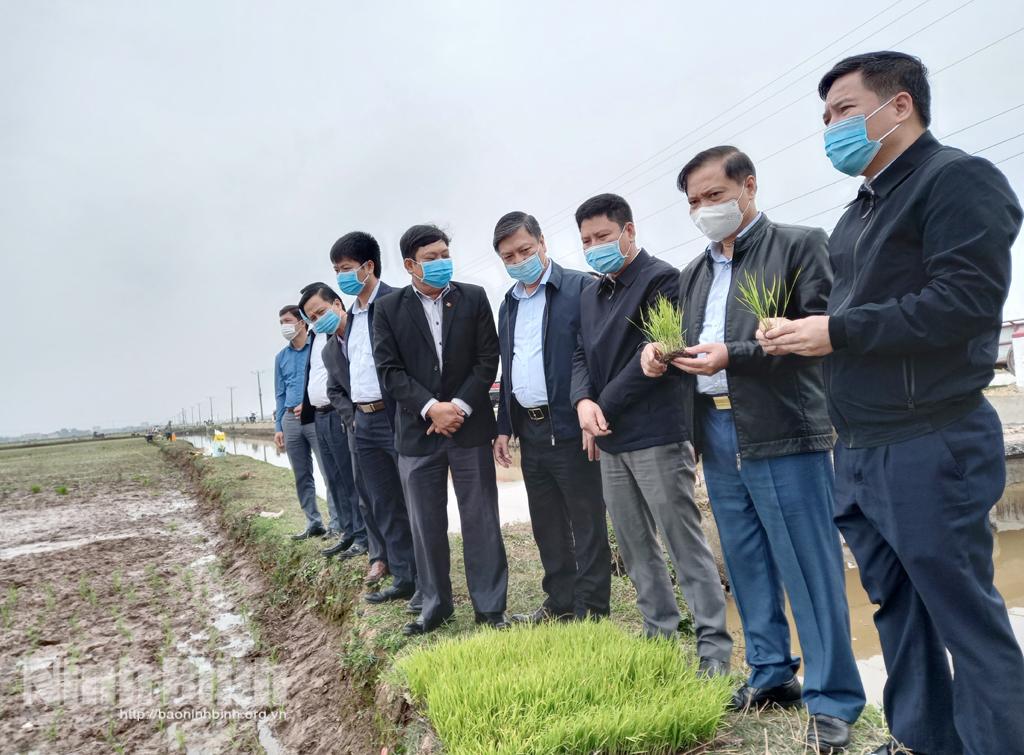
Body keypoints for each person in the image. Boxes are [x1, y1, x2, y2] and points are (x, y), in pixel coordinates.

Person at [760, 51, 1024, 755]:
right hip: (862, 444)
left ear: (899, 105)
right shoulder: (857, 216)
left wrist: (837, 330)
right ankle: (922, 739)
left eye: (844, 111)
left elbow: (964, 303)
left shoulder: (957, 180)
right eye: (825, 118)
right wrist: (799, 331)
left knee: (964, 612)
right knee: (899, 606)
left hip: (930, 437)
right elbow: (851, 316)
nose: (831, 128)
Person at [641, 146, 865, 752]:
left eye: (714, 196)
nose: (704, 210)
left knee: (808, 566)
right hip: (715, 429)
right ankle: (770, 673)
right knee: (745, 559)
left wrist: (733, 356)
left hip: (781, 425)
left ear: (748, 186)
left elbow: (818, 331)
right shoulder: (693, 274)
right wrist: (661, 357)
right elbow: (692, 344)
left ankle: (834, 698)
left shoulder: (798, 245)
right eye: (693, 202)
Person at [570, 193, 732, 672]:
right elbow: (580, 353)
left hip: (657, 433)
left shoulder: (662, 279)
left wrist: (600, 405)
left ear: (629, 231)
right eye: (586, 241)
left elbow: (653, 358)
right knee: (636, 544)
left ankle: (714, 652)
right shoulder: (591, 292)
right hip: (610, 435)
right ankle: (659, 633)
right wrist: (582, 402)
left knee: (684, 544)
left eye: (602, 236)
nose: (595, 246)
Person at [372, 224, 509, 636]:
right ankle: (435, 605)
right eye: (431, 258)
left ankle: (490, 608)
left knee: (481, 518)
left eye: (445, 253)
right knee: (426, 523)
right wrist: (431, 409)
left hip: (469, 428)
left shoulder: (474, 297)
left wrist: (459, 407)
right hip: (418, 434)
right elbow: (389, 371)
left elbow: (489, 358)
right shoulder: (389, 309)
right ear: (410, 265)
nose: (441, 262)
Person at [492, 211, 611, 623]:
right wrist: (504, 427)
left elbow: (596, 357)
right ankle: (559, 602)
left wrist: (593, 414)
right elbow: (509, 367)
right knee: (546, 523)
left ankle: (592, 610)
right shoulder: (508, 303)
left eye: (525, 249)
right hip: (531, 428)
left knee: (587, 519)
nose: (519, 259)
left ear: (542, 243)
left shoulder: (581, 288)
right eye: (509, 256)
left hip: (573, 426)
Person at [328, 231, 420, 611]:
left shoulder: (398, 302)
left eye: (346, 269)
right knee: (383, 502)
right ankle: (403, 575)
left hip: (395, 416)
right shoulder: (350, 316)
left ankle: (427, 581)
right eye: (336, 271)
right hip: (363, 422)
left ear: (368, 267)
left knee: (413, 499)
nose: (342, 277)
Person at [297, 283, 364, 559]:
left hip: (339, 414)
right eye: (310, 317)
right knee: (334, 479)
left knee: (351, 480)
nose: (316, 320)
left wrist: (349, 415)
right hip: (320, 416)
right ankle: (348, 532)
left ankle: (362, 536)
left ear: (336, 303)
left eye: (319, 312)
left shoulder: (347, 334)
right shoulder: (317, 339)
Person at [273, 305, 326, 539]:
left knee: (328, 470)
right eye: (281, 322)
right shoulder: (280, 358)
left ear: (302, 322)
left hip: (315, 415)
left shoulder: (317, 347)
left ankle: (337, 523)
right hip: (289, 420)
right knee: (301, 474)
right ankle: (313, 522)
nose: (284, 326)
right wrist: (278, 427)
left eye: (287, 320)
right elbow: (279, 393)